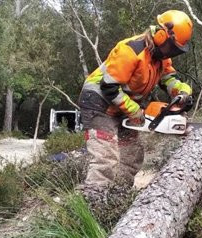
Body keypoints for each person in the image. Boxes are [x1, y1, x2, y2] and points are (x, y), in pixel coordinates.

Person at [77, 9, 194, 197]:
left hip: (122, 106)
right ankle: (93, 202)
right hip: (98, 102)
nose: (171, 53)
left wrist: (181, 90)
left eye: (175, 50)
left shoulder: (161, 58)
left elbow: (168, 79)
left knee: (131, 155)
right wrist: (135, 111)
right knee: (105, 158)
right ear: (161, 35)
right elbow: (109, 87)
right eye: (172, 47)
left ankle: (118, 197)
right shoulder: (130, 50)